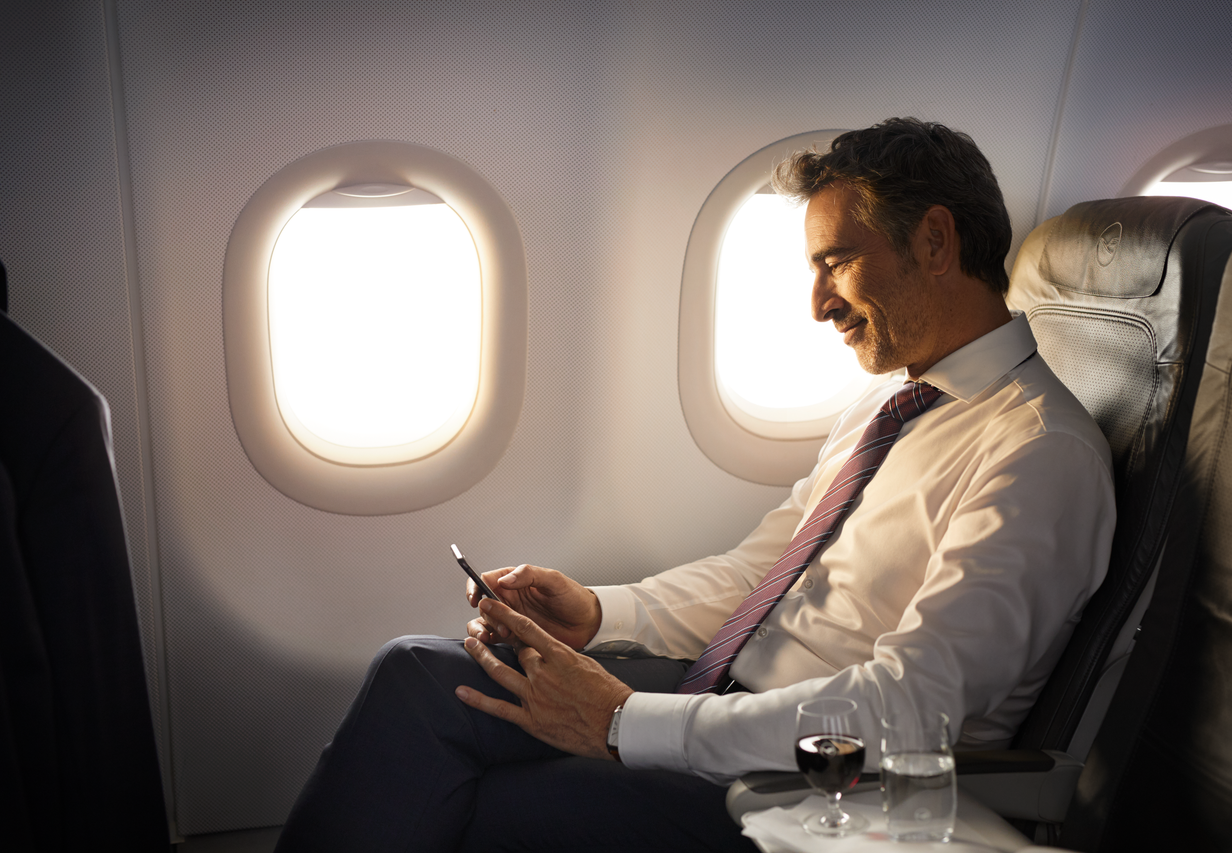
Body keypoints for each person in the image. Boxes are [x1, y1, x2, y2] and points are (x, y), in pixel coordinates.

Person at [275, 118, 1116, 852]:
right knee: (416, 677)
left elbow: (910, 709)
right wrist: (603, 612)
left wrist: (619, 722)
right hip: (718, 696)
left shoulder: (1040, 455)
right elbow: (759, 570)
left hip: (818, 790)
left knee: (483, 805)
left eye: (838, 261)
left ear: (934, 241)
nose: (819, 302)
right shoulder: (887, 402)